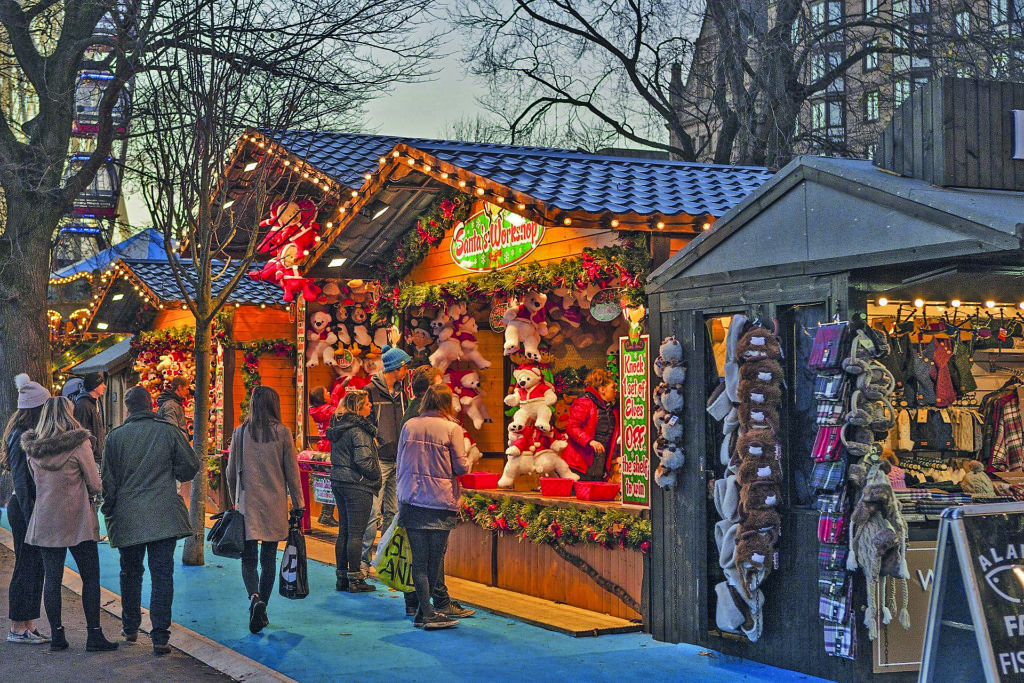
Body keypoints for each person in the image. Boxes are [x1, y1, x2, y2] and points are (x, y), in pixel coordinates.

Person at [101, 386, 199, 655]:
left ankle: (130, 626)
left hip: (129, 516)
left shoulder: (115, 437)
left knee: (130, 572)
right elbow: (190, 466)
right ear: (151, 405)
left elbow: (107, 481)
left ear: (127, 408)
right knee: (162, 574)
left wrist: (109, 510)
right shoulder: (168, 431)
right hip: (163, 515)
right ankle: (160, 636)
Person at [21, 397, 117, 652]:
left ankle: (58, 636)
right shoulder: (79, 443)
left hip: (46, 519)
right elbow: (95, 483)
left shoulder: (33, 448)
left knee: (52, 578)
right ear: (68, 415)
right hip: (77, 520)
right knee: (90, 576)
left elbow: (34, 482)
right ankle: (94, 635)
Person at [397, 367, 474, 620]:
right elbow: (461, 467)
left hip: (412, 500)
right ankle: (429, 612)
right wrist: (470, 457)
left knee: (418, 561)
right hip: (439, 501)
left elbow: (400, 462)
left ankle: (423, 611)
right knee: (435, 559)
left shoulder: (409, 425)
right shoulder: (452, 428)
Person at [226, 386, 304, 634]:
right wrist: (299, 504)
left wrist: (234, 499)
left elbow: (230, 472)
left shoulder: (240, 433)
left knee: (248, 559)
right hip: (275, 505)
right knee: (268, 560)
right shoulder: (283, 433)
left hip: (247, 505)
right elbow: (292, 472)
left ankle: (254, 598)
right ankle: (263, 608)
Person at [3, 374, 50, 644]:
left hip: (26, 509)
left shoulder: (20, 434)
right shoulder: (22, 437)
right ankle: (17, 626)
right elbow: (21, 481)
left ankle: (26, 624)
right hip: (25, 510)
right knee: (26, 565)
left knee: (32, 565)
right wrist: (31, 514)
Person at [361, 345, 411, 572]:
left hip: (398, 458)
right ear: (395, 368)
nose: (407, 370)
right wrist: (375, 441)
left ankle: (384, 560)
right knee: (373, 511)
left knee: (392, 511)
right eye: (404, 366)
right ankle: (362, 559)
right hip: (379, 458)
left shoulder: (403, 393)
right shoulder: (370, 391)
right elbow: (364, 420)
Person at [326, 390, 380, 593]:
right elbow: (363, 460)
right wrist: (375, 475)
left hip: (339, 481)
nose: (370, 406)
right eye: (367, 404)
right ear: (358, 407)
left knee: (345, 532)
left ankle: (342, 577)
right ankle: (356, 580)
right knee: (356, 534)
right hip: (357, 484)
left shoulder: (338, 426)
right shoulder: (360, 430)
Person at [563, 369, 620, 481]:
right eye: (612, 387)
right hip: (581, 465)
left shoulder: (612, 409)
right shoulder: (584, 403)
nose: (615, 391)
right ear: (602, 389)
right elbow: (571, 427)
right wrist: (589, 441)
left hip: (599, 466)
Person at [309, 385, 338, 527]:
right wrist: (337, 396)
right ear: (322, 397)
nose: (329, 393)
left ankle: (325, 514)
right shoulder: (327, 410)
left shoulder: (316, 410)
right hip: (330, 446)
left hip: (323, 446)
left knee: (327, 481)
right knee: (332, 481)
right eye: (327, 392)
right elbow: (340, 413)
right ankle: (327, 514)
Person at [72, 372, 106, 467]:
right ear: (94, 387)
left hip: (96, 455)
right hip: (90, 457)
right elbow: (80, 431)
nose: (104, 386)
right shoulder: (83, 405)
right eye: (101, 384)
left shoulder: (94, 403)